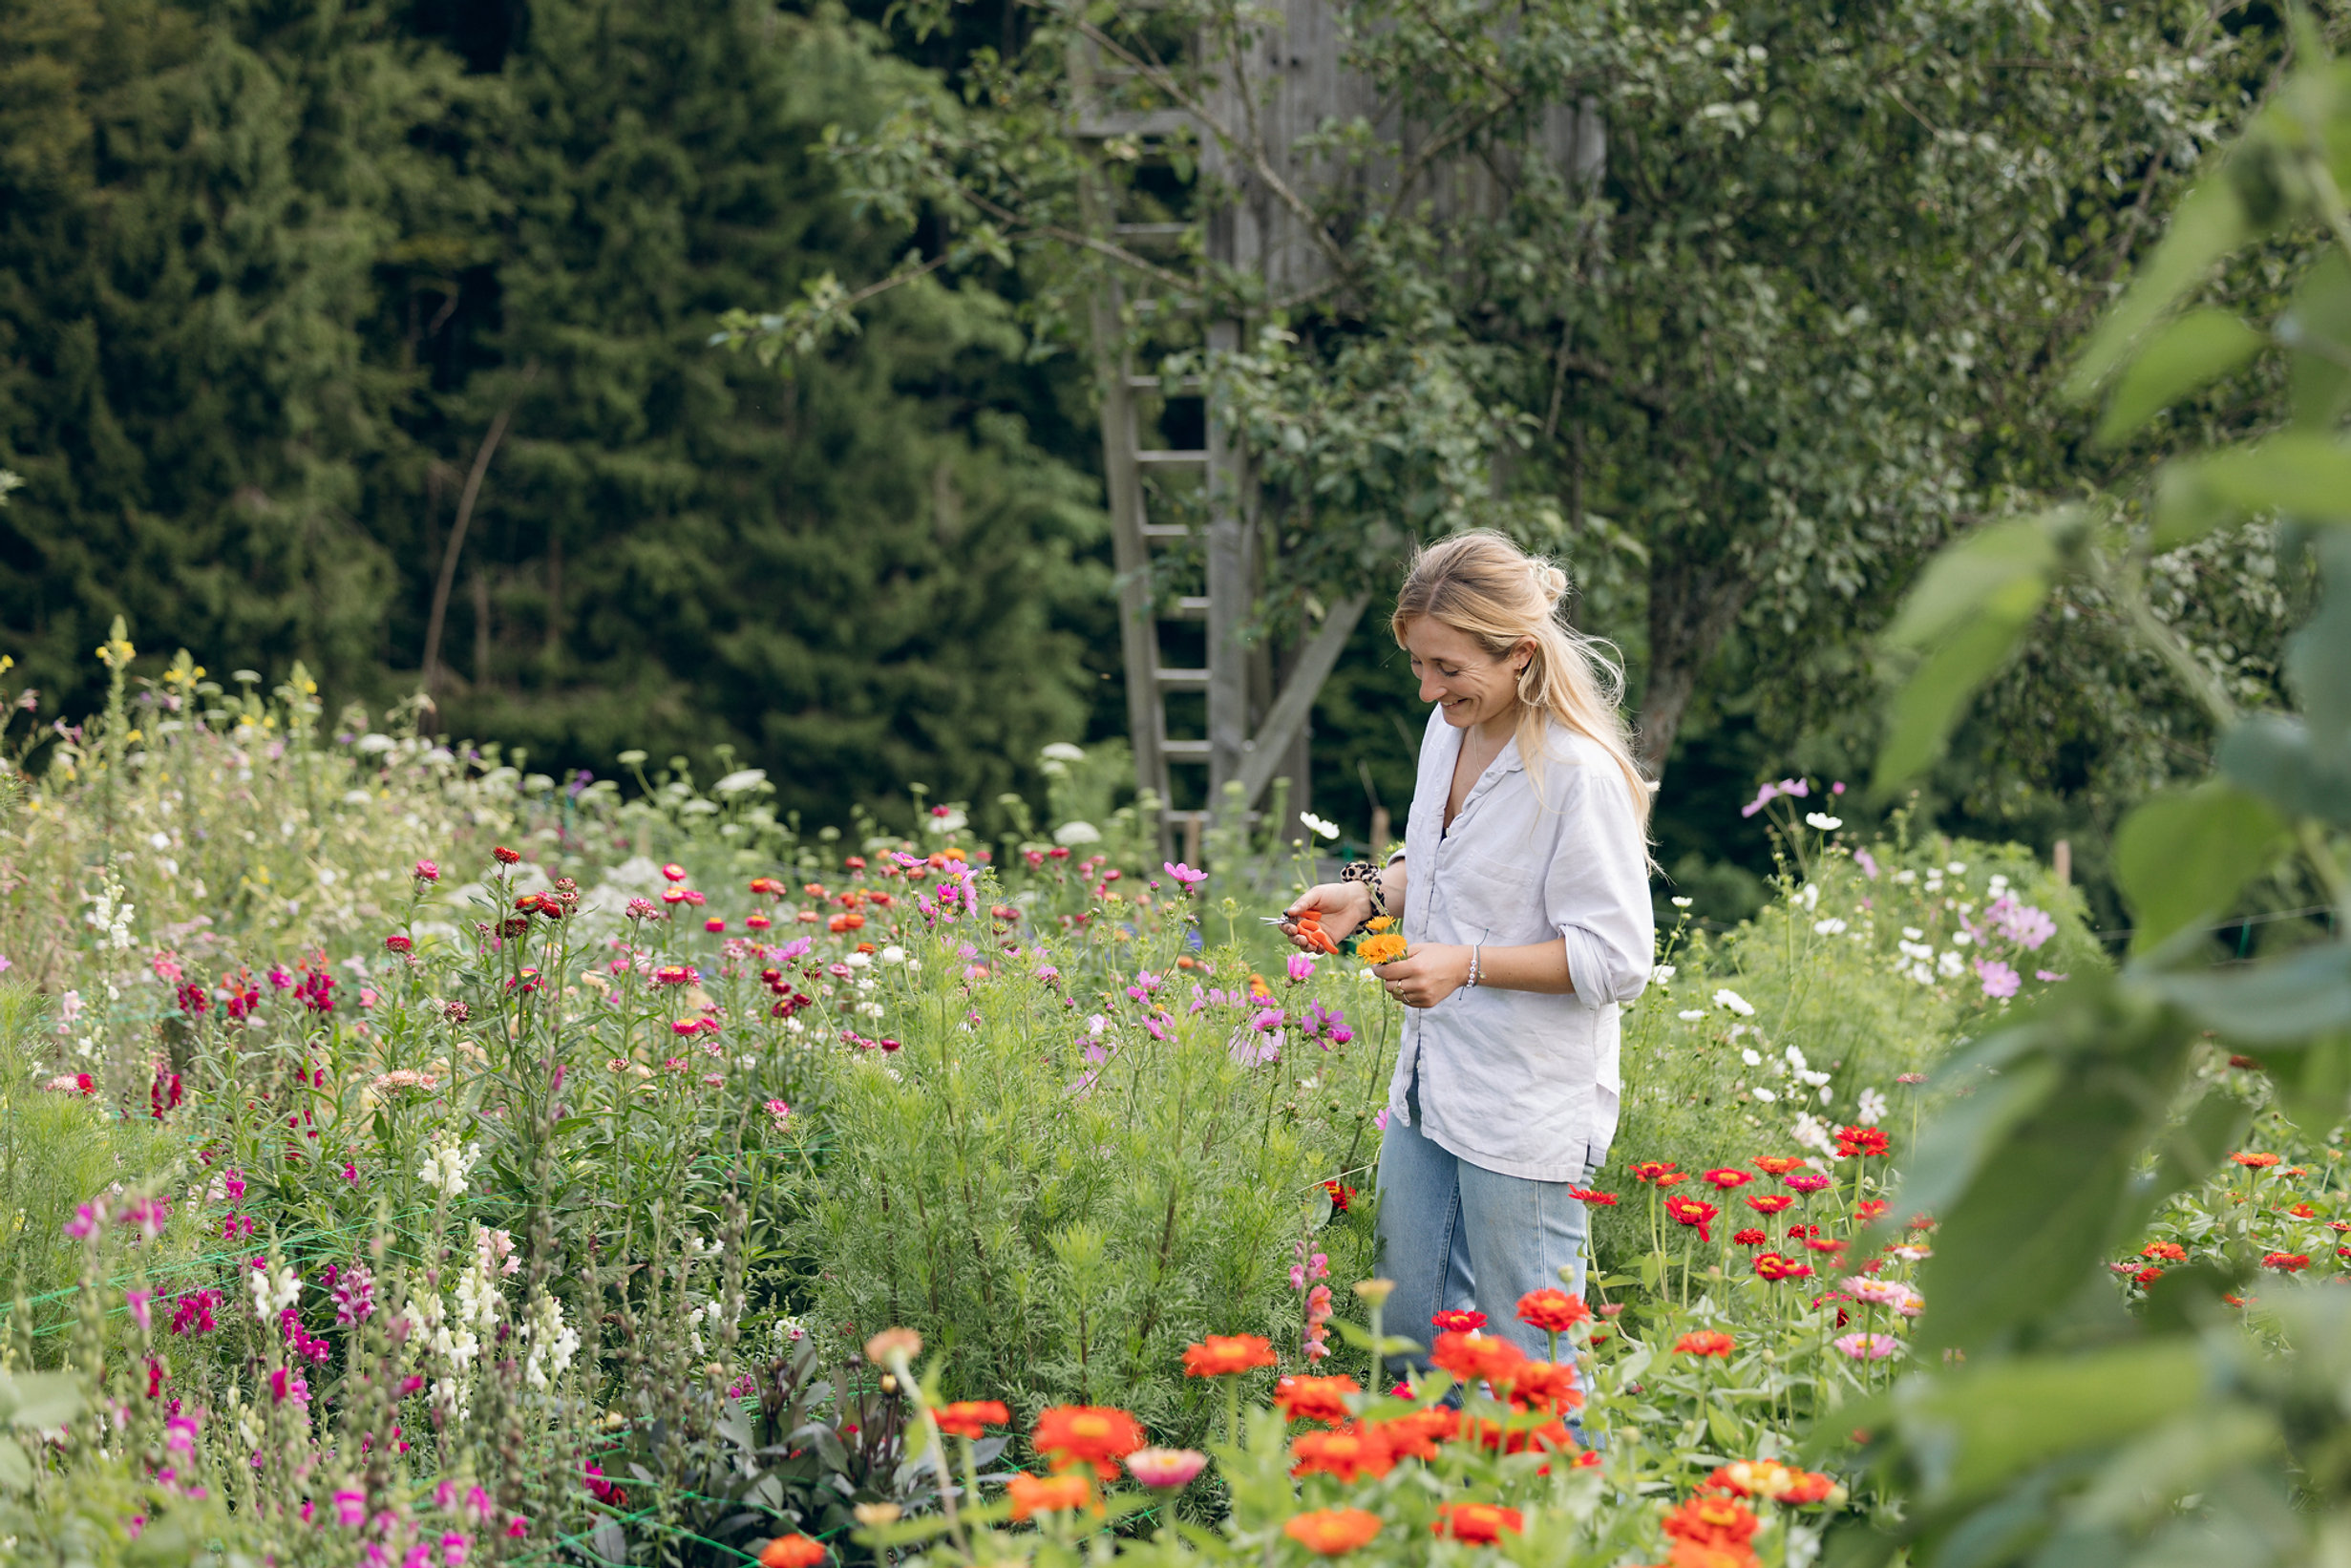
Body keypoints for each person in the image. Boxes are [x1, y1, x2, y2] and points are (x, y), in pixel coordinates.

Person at [1281, 530, 1654, 1370]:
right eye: (1418, 664)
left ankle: (1556, 1464)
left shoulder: (1578, 773)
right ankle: (1438, 1465)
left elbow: (1618, 960)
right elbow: (1443, 866)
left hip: (1523, 1109)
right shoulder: (1448, 732)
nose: (1427, 688)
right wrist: (1369, 896)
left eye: (1447, 667)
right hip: (1428, 1088)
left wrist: (1467, 966)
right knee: (1410, 1341)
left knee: (1531, 1363)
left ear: (1520, 653)